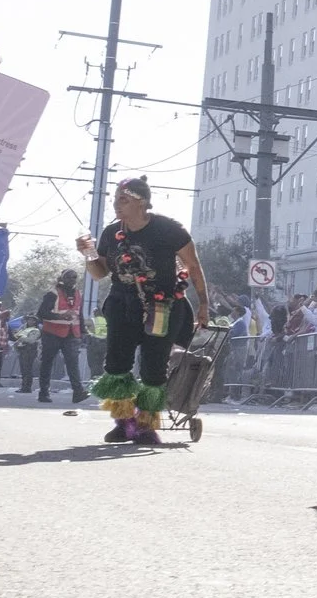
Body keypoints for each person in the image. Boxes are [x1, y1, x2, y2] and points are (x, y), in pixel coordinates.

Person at [76, 177, 204, 445]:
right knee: (117, 366)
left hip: (162, 307)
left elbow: (193, 266)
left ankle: (146, 425)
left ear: (142, 201)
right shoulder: (112, 233)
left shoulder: (168, 229)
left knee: (153, 369)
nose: (116, 204)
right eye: (115, 199)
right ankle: (124, 424)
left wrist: (204, 304)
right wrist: (88, 254)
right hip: (122, 305)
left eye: (123, 199)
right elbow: (100, 273)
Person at [33, 268, 90, 405]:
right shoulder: (52, 294)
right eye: (69, 277)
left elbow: (79, 315)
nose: (72, 280)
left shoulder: (78, 294)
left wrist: (83, 332)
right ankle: (44, 392)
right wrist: (59, 316)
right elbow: (41, 313)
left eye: (75, 277)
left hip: (71, 334)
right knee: (47, 363)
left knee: (73, 363)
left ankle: (78, 392)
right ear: (62, 279)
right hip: (52, 333)